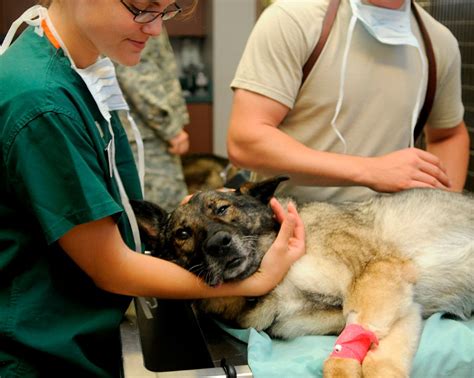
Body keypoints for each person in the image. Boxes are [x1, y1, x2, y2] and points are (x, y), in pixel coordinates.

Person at [0, 1, 305, 377]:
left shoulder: (81, 72)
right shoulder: (42, 103)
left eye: (166, 12)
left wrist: (191, 221)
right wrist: (258, 279)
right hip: (39, 354)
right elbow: (111, 267)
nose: (155, 29)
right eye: (142, 9)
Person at [228, 0, 470, 203]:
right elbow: (246, 141)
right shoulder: (294, 20)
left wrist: (441, 209)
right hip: (291, 231)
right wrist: (370, 170)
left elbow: (448, 135)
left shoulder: (439, 43)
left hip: (390, 236)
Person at [115, 29, 190, 212]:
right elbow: (138, 77)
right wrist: (171, 130)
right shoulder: (140, 17)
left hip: (140, 133)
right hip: (146, 137)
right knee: (163, 215)